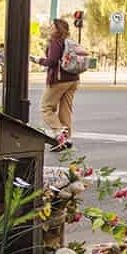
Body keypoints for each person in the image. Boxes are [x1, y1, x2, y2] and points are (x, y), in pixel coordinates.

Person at [33, 17, 81, 153]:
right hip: (74, 79)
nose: (50, 28)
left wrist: (37, 60)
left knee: (46, 108)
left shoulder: (56, 42)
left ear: (57, 29)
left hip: (59, 80)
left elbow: (51, 62)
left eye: (52, 26)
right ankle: (67, 139)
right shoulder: (70, 42)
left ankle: (60, 133)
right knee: (65, 110)